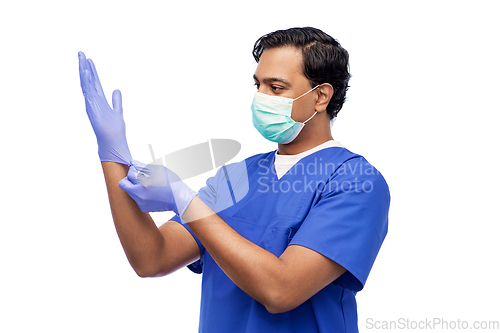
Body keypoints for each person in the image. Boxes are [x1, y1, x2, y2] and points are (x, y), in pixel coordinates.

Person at [78, 27, 390, 333]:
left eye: (276, 88)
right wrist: (112, 153)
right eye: (258, 86)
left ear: (320, 96)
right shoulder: (237, 176)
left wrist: (186, 201)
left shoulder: (356, 182)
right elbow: (151, 258)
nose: (261, 98)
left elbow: (281, 291)